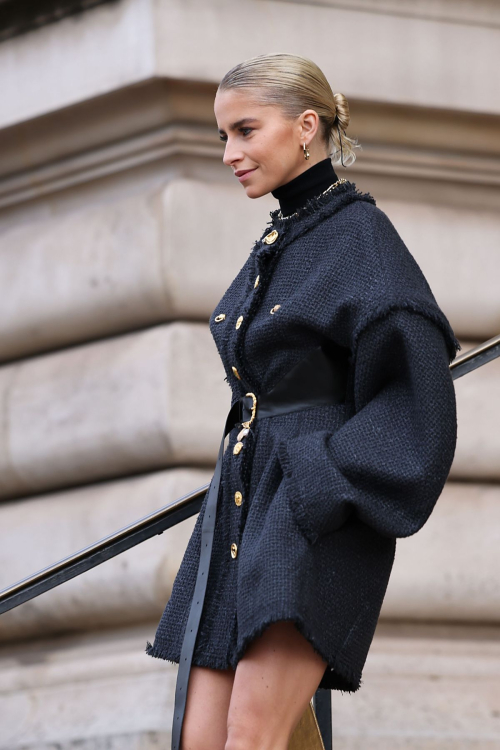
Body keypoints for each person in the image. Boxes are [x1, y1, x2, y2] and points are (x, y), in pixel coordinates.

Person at [146, 53, 461, 750]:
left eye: (245, 131)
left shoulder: (360, 239)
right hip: (240, 506)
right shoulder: (282, 238)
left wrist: (317, 482)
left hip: (306, 514)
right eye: (222, 136)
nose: (230, 153)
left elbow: (419, 403)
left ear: (306, 126)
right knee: (202, 740)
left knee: (251, 739)